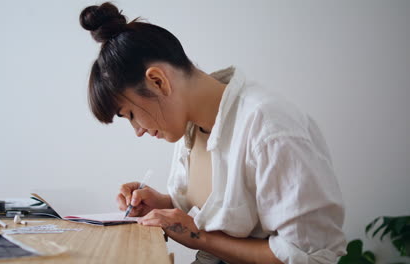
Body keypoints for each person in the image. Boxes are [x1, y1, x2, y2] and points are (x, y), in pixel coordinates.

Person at [79, 2, 347, 264]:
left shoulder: (270, 129)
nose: (137, 131)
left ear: (158, 82)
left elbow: (308, 256)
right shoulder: (191, 127)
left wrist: (197, 237)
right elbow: (229, 211)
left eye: (131, 115)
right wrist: (162, 204)